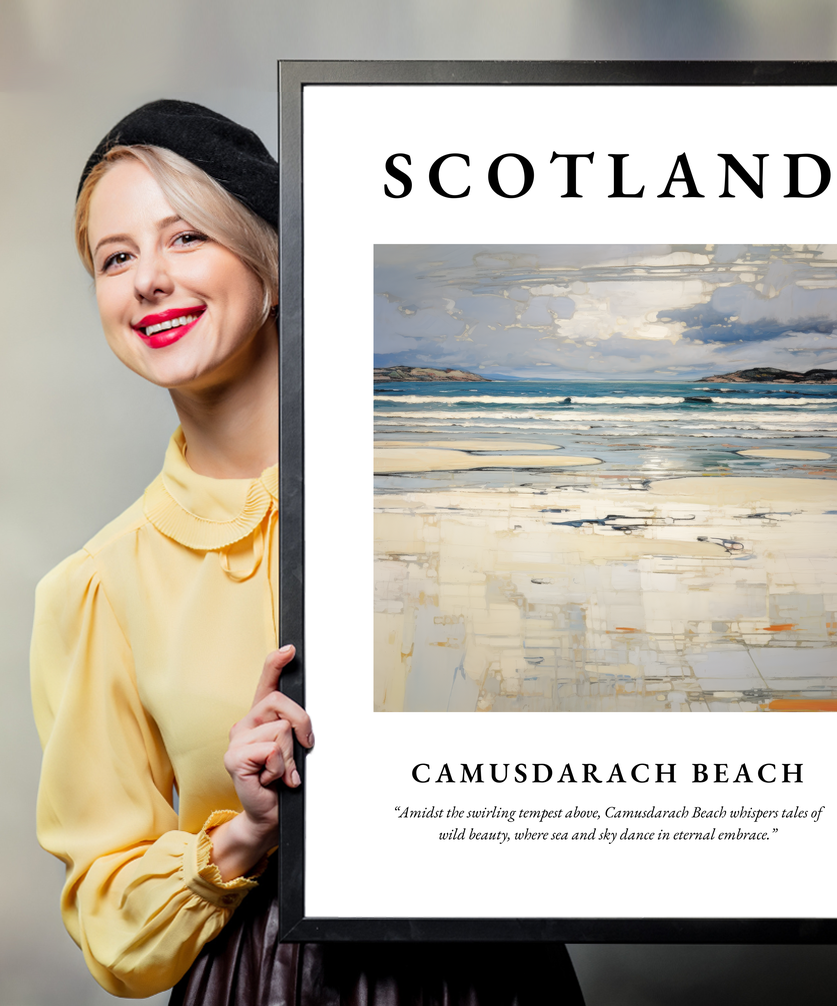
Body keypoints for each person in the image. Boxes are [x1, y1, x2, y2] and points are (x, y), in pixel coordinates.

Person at [30, 100, 585, 1004]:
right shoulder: (97, 587)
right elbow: (110, 923)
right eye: (116, 257)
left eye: (186, 239)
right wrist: (244, 832)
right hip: (262, 981)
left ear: (273, 264)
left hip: (491, 972)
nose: (148, 281)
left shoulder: (457, 497)